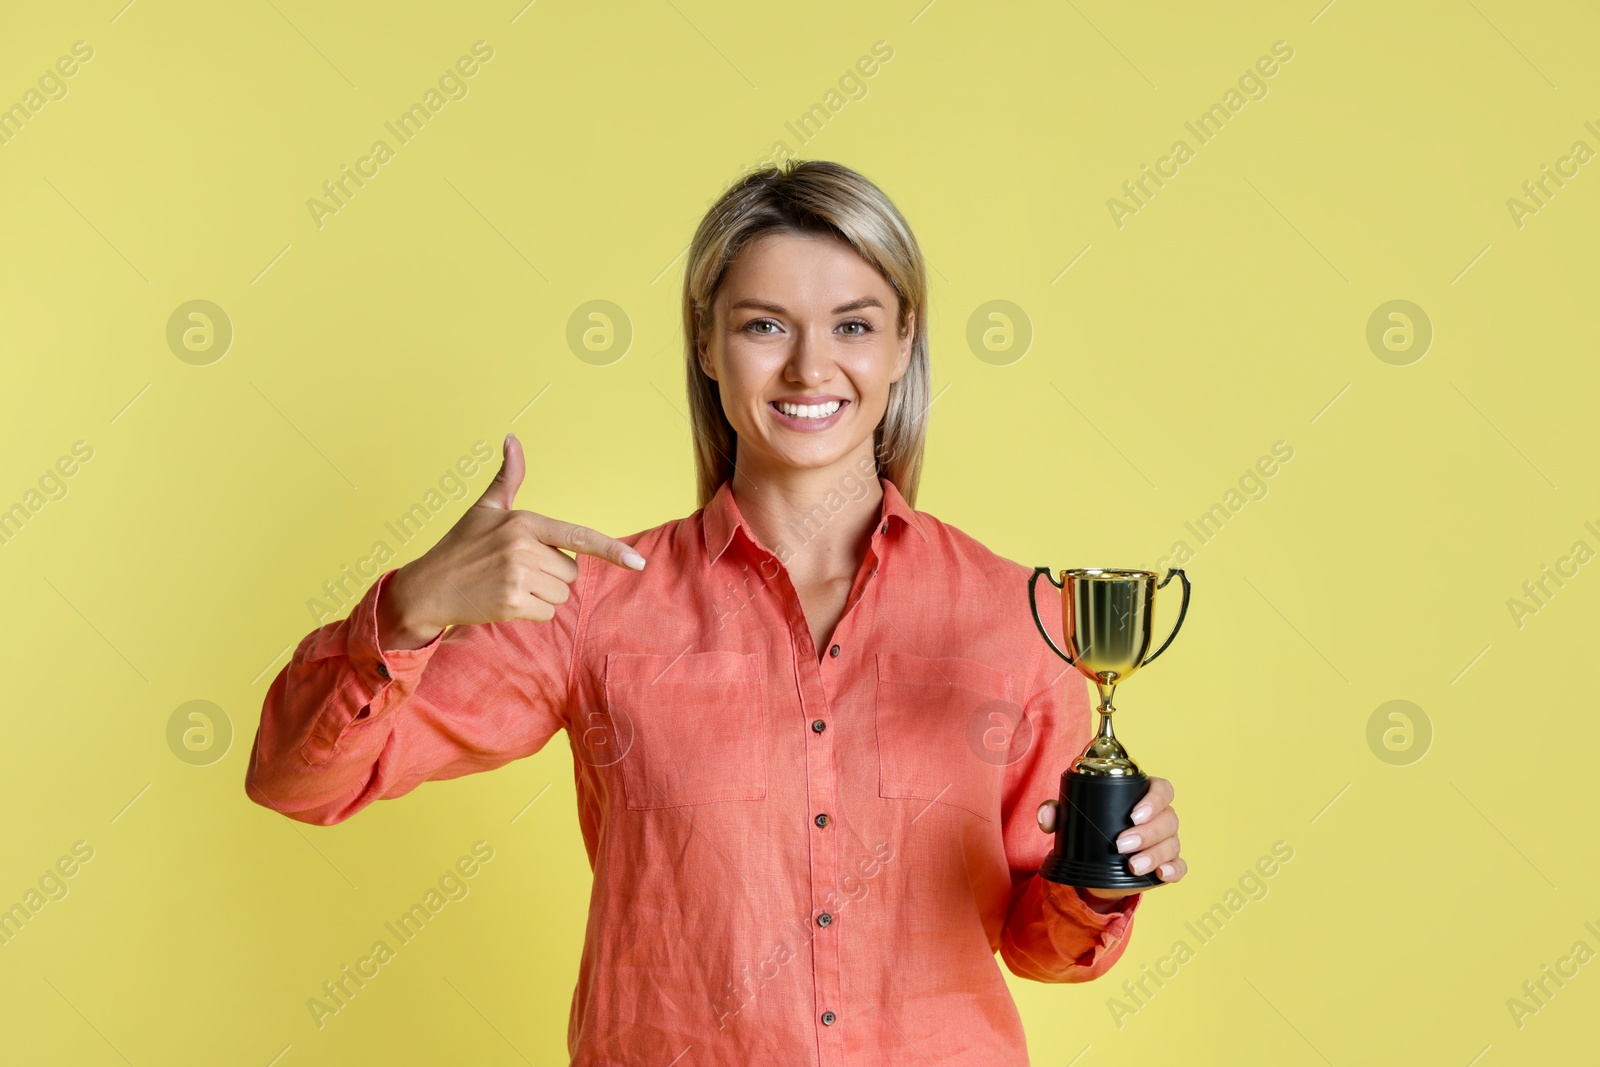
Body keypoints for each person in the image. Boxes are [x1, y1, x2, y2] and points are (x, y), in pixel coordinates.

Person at [245, 159, 1186, 1064]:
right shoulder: (595, 604)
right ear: (706, 341)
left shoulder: (1019, 616)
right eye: (766, 326)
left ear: (905, 341)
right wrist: (410, 608)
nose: (811, 368)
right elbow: (300, 782)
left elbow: (1044, 949)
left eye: (854, 326)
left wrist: (1107, 872)